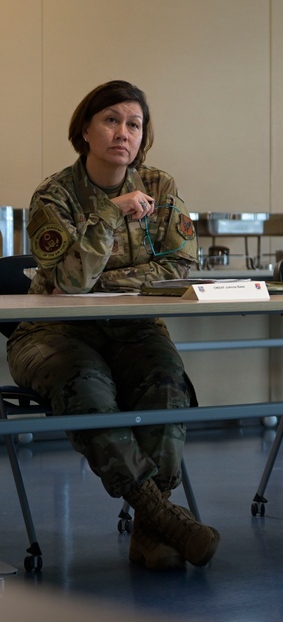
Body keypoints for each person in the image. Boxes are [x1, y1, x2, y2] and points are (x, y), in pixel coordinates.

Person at [5, 80, 219, 571]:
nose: (123, 133)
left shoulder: (161, 187)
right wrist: (108, 214)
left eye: (134, 124)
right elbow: (69, 283)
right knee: (89, 391)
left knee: (169, 389)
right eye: (111, 120)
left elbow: (181, 266)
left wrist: (107, 281)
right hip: (52, 334)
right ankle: (166, 518)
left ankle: (149, 530)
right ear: (85, 129)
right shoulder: (53, 195)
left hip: (135, 327)